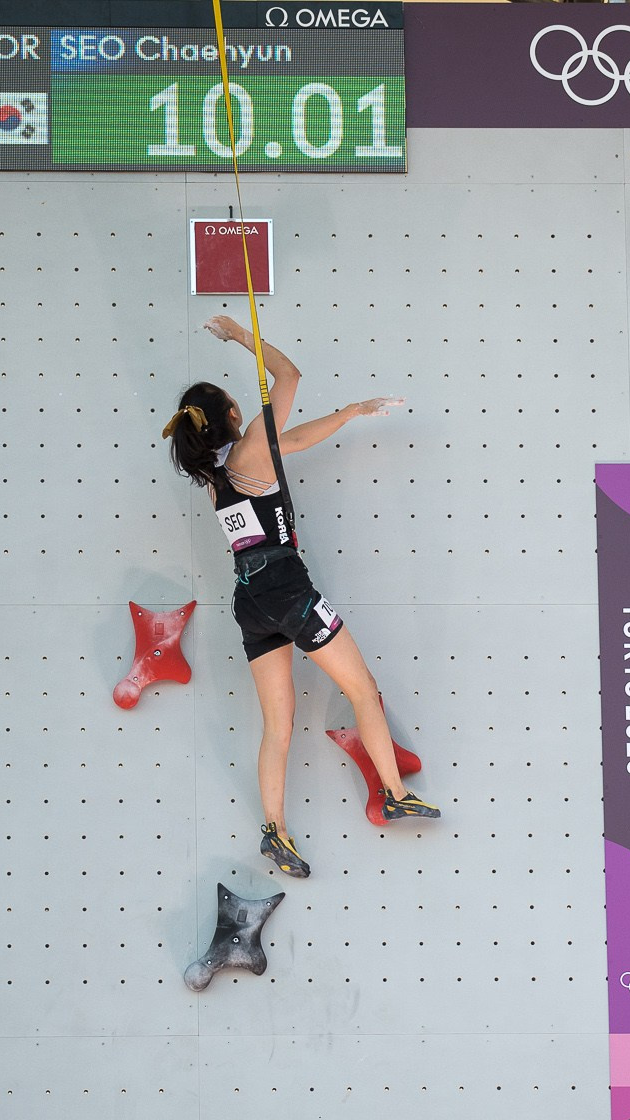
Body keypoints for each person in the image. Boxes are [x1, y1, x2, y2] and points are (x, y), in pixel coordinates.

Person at [164, 314, 437, 879]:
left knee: (278, 727)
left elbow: (299, 438)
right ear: (232, 415)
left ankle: (275, 831)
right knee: (363, 690)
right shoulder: (248, 455)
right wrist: (243, 337)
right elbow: (289, 375)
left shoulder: (221, 472)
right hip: (288, 591)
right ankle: (392, 792)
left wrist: (353, 413)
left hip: (250, 602)